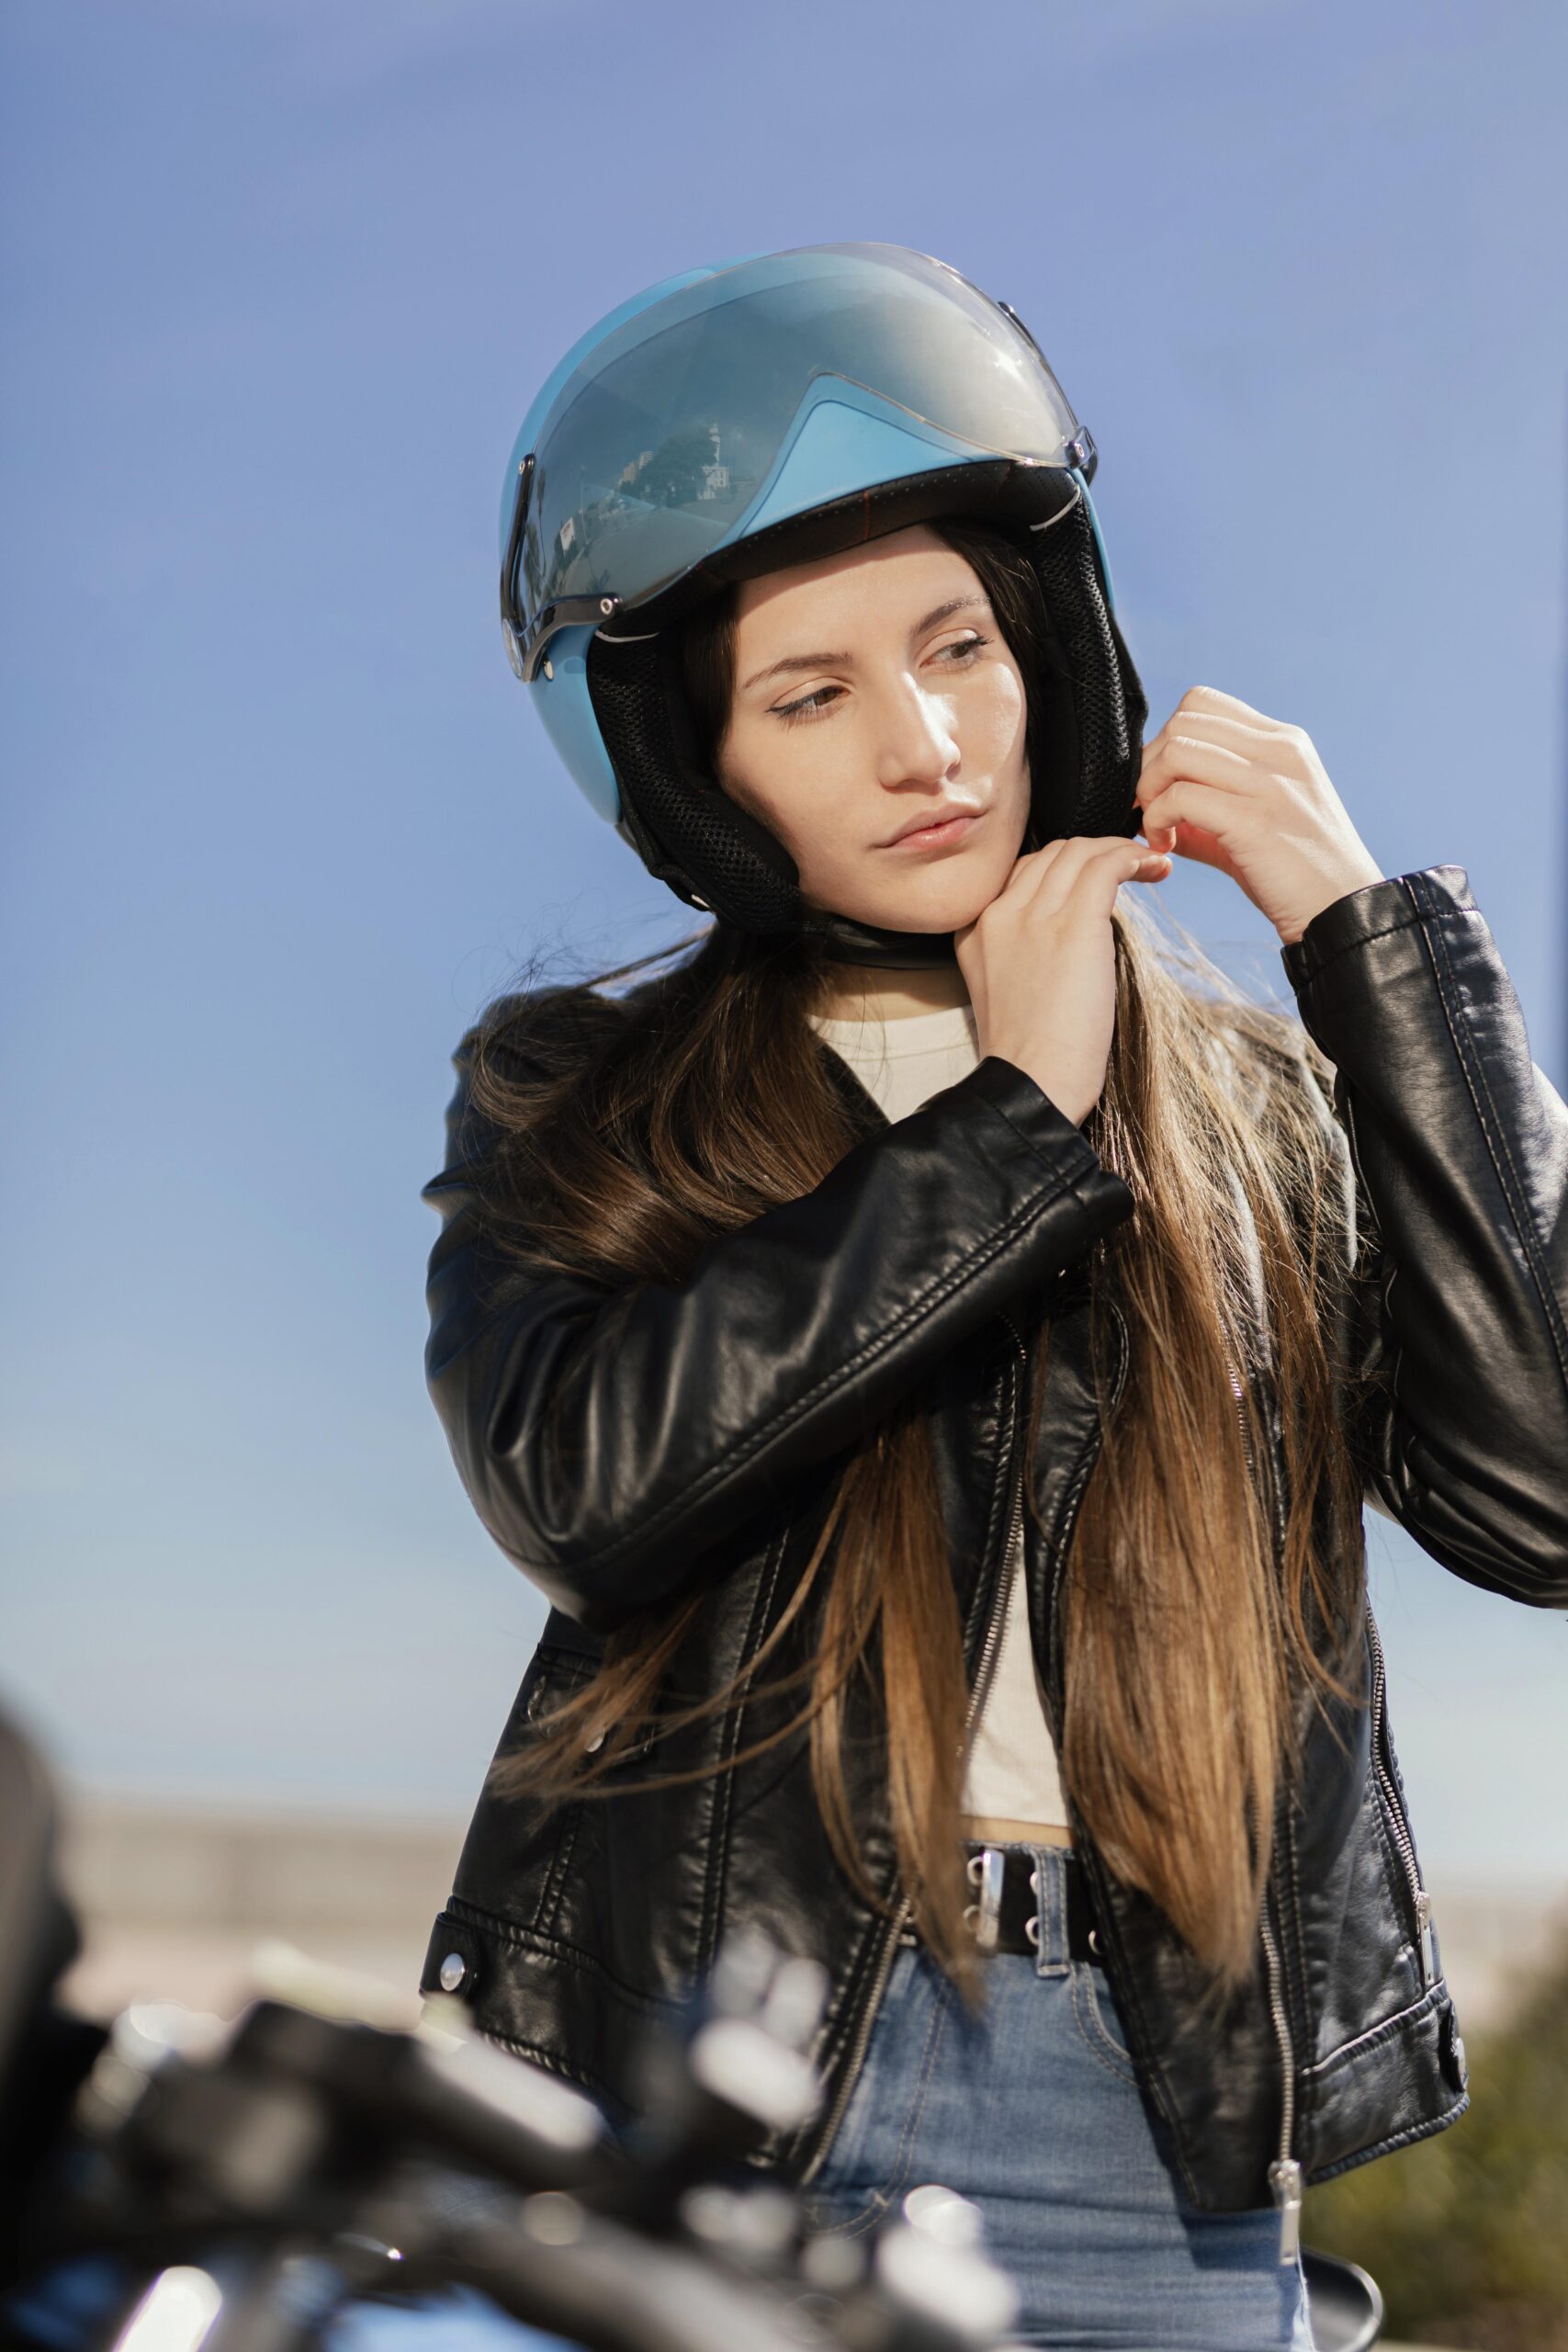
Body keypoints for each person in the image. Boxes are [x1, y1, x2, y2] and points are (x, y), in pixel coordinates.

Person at [418, 244, 1568, 2349]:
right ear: (701, 770)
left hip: (1150, 2114)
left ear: (1046, 637)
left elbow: (1546, 1494)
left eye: (956, 641)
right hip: (711, 2057)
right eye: (812, 691)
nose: (924, 739)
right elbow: (584, 1481)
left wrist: (1365, 944)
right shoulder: (580, 1093)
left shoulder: (1252, 1107)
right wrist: (1012, 1116)